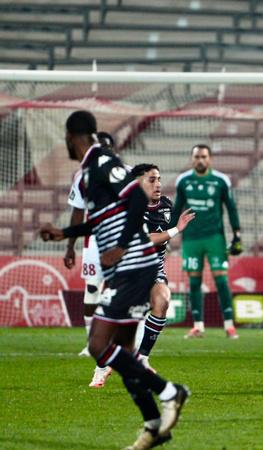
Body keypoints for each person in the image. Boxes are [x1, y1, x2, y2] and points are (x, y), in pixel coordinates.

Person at [40, 110, 189, 450]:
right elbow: (100, 221)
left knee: (97, 345)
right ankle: (153, 425)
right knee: (123, 352)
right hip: (127, 268)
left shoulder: (102, 161)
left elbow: (137, 196)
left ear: (70, 137)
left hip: (134, 265)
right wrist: (64, 232)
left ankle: (170, 392)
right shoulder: (87, 173)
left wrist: (121, 245)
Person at [170, 144, 242, 339]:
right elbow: (177, 209)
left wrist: (237, 233)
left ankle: (229, 325)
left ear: (209, 159)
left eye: (203, 157)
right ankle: (198, 326)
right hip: (191, 238)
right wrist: (168, 232)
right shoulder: (183, 180)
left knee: (221, 279)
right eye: (197, 157)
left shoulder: (220, 180)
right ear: (192, 159)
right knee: (194, 281)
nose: (200, 160)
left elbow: (231, 207)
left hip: (215, 238)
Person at [64, 131, 116, 388]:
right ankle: (91, 343)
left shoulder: (124, 174)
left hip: (120, 239)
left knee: (121, 290)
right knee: (93, 289)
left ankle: (127, 347)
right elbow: (77, 212)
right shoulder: (83, 175)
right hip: (93, 240)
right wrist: (70, 247)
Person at [131, 163, 195, 371]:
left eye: (159, 179)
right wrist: (177, 229)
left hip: (153, 269)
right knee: (121, 323)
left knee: (163, 300)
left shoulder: (167, 205)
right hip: (128, 270)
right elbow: (146, 240)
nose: (158, 184)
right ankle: (103, 366)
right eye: (152, 180)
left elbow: (165, 238)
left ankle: (142, 357)